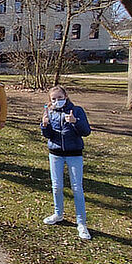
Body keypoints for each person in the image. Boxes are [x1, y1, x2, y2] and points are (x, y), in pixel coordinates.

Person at [40, 85, 92, 240]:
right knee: (56, 186)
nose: (57, 101)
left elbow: (86, 131)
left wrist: (75, 122)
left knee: (77, 188)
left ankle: (81, 223)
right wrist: (44, 125)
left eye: (60, 98)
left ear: (66, 96)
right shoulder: (49, 111)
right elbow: (48, 135)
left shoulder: (76, 111)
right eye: (54, 99)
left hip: (74, 154)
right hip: (55, 154)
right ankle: (58, 214)